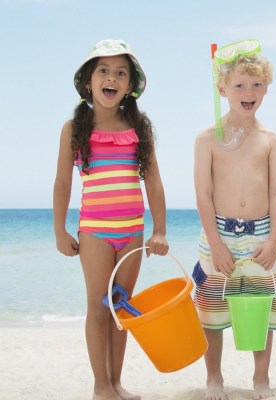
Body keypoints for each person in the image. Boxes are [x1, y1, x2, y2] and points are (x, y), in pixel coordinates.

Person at [53, 39, 169, 400]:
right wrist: (60, 230)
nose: (111, 77)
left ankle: (117, 383)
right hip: (95, 232)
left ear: (130, 85)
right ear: (89, 81)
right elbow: (62, 182)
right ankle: (100, 386)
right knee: (98, 308)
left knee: (121, 309)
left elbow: (153, 180)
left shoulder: (139, 129)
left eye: (121, 72)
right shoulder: (74, 128)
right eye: (103, 70)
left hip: (132, 232)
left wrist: (160, 230)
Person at [192, 39, 276, 400]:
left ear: (266, 88)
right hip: (219, 236)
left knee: (261, 311)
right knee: (211, 312)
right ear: (222, 88)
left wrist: (274, 239)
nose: (249, 92)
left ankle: (260, 378)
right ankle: (213, 377)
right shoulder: (207, 139)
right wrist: (216, 245)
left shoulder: (270, 139)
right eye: (240, 85)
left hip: (262, 235)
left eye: (257, 85)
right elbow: (203, 194)